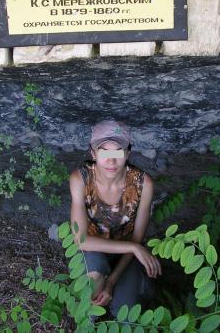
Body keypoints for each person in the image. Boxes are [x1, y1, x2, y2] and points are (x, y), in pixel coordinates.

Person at [69, 119, 161, 317]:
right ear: (93, 153)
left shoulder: (143, 183)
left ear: (128, 153)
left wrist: (112, 280)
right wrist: (135, 247)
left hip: (126, 256)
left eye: (117, 152)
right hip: (94, 249)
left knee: (126, 314)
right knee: (93, 287)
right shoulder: (81, 179)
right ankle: (89, 322)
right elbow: (80, 240)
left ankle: (131, 288)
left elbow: (137, 238)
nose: (111, 161)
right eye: (104, 152)